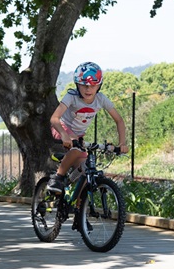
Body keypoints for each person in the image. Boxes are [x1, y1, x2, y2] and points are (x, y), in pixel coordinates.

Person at [47, 61, 129, 193]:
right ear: (77, 85)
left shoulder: (101, 99)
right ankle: (57, 177)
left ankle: (79, 207)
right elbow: (54, 119)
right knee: (77, 146)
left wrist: (122, 143)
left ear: (99, 86)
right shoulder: (71, 97)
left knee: (85, 170)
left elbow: (119, 120)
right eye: (84, 85)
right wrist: (64, 134)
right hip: (61, 128)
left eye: (93, 85)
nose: (88, 89)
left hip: (78, 136)